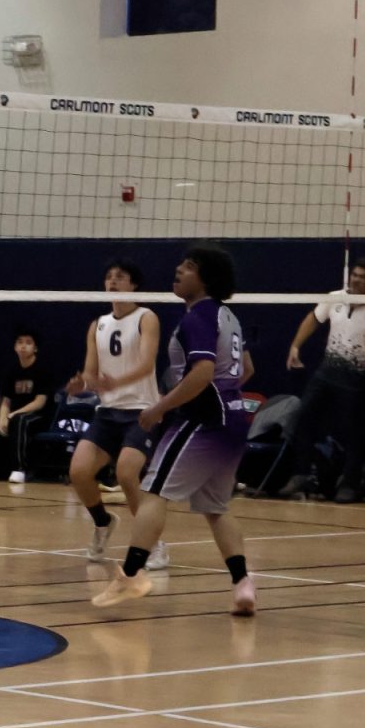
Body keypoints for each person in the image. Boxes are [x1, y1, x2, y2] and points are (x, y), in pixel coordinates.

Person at [93, 245, 256, 615]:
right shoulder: (228, 316)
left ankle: (131, 575)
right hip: (233, 420)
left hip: (204, 422)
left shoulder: (198, 318)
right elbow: (246, 369)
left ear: (206, 279)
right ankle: (243, 583)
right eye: (181, 264)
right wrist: (222, 391)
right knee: (216, 507)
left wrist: (159, 407)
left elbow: (200, 374)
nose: (179, 270)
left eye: (189, 267)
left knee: (152, 491)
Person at [63, 259, 169, 569]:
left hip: (141, 411)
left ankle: (152, 542)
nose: (112, 281)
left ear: (133, 285)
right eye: (109, 277)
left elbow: (147, 365)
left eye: (120, 277)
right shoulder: (98, 324)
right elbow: (91, 374)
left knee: (126, 473)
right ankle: (103, 522)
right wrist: (79, 385)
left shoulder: (146, 318)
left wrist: (115, 382)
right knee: (79, 471)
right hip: (108, 413)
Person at [282, 258, 365, 503]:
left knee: (352, 431)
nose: (357, 279)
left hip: (356, 379)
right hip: (326, 373)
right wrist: (296, 345)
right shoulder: (335, 297)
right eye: (354, 275)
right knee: (301, 417)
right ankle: (302, 474)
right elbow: (313, 318)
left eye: (363, 277)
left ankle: (350, 483)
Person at [0, 329, 54, 483]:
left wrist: (13, 414)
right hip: (15, 414)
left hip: (40, 415)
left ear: (35, 348)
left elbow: (40, 402)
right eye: (20, 342)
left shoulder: (42, 369)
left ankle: (19, 469)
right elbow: (6, 400)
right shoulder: (11, 370)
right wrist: (3, 418)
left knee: (19, 420)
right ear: (15, 347)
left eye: (28, 343)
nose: (23, 346)